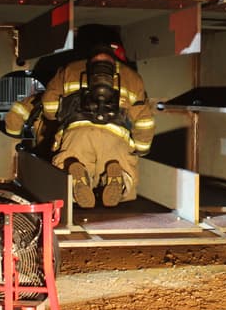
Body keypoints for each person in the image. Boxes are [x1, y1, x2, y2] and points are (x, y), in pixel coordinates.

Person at [41, 24, 155, 208]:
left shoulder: (69, 69)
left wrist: (57, 116)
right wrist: (141, 148)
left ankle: (75, 179)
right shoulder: (133, 77)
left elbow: (49, 106)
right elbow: (144, 120)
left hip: (77, 133)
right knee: (128, 172)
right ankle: (118, 179)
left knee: (63, 171)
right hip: (116, 136)